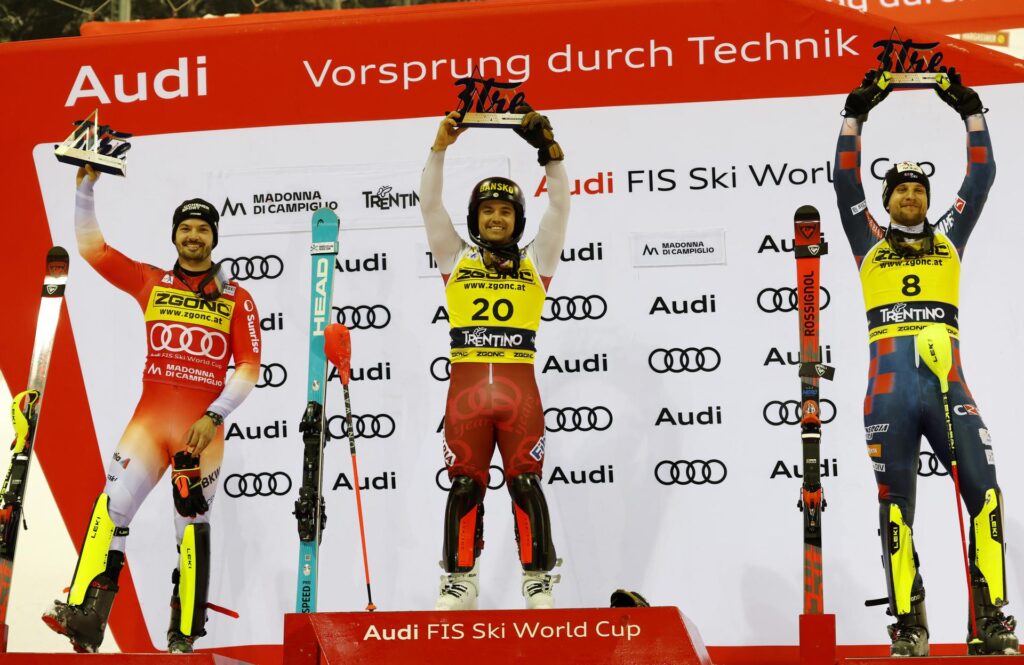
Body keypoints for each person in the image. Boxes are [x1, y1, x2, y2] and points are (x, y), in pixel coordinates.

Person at [42, 164, 261, 653]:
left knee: (191, 525)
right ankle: (87, 616)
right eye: (185, 227)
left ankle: (183, 635)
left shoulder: (237, 297)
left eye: (203, 229)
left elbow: (248, 367)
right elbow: (92, 250)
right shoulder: (151, 281)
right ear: (175, 236)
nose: (193, 236)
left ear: (214, 238)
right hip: (148, 421)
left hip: (200, 432)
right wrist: (84, 188)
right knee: (112, 506)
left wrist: (214, 415)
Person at [834, 70, 1017, 656]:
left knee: (985, 496)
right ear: (886, 202)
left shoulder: (949, 237)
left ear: (929, 202)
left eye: (918, 190)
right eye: (899, 190)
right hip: (888, 392)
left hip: (948, 385)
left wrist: (970, 109)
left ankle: (989, 624)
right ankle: (910, 627)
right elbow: (843, 180)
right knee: (896, 512)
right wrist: (855, 114)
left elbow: (982, 175)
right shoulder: (868, 241)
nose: (910, 194)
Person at [420, 106, 569, 610]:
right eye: (487, 210)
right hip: (466, 398)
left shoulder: (538, 261)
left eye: (506, 211)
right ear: (476, 218)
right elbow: (429, 206)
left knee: (527, 485)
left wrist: (550, 155)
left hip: (518, 395)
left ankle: (538, 580)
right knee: (464, 489)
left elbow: (561, 209)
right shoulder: (454, 258)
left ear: (517, 219)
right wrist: (440, 147)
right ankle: (459, 581)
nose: (497, 217)